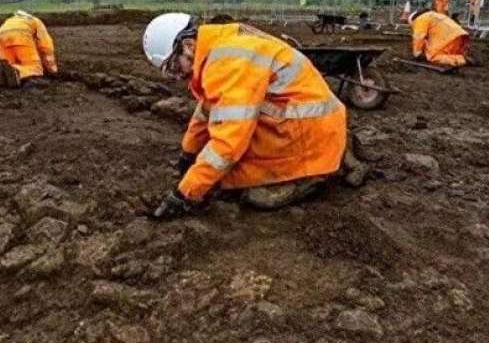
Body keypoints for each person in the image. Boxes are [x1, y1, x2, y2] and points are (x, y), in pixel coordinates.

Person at [142, 13, 358, 219]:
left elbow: (227, 144)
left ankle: (313, 174)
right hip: (309, 121)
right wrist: (188, 153)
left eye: (172, 66)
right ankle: (337, 146)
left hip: (308, 133)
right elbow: (208, 107)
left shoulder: (227, 64)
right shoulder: (218, 46)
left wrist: (185, 194)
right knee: (226, 170)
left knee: (255, 195)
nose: (176, 76)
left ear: (188, 46)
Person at [0, 10, 58, 87]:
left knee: (9, 63)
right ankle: (20, 73)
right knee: (33, 67)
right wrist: (52, 70)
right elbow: (46, 46)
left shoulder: (11, 20)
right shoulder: (36, 21)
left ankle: (4, 75)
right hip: (20, 36)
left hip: (0, 36)